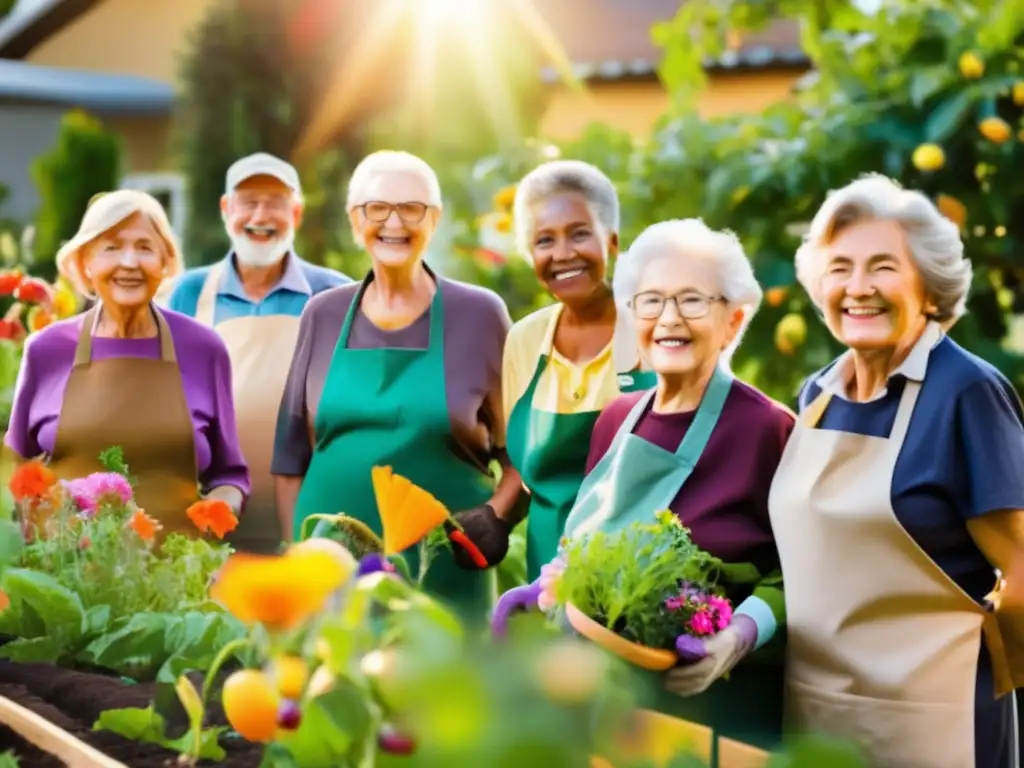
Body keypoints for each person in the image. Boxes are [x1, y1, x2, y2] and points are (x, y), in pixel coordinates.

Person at [494, 219, 794, 762]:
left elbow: (804, 574)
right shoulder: (615, 420)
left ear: (733, 321)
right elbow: (589, 545)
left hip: (717, 707)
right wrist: (545, 587)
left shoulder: (767, 429)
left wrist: (740, 636)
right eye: (650, 301)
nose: (669, 319)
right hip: (609, 703)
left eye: (693, 301)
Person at [771, 174, 1024, 768]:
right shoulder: (817, 394)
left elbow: (1020, 564)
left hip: (936, 718)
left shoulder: (968, 392)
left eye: (883, 267)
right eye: (840, 269)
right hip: (820, 711)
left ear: (929, 290)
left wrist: (986, 673)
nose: (858, 288)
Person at [272, 150, 522, 620]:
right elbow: (290, 460)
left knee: (445, 692)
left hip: (445, 572)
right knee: (332, 690)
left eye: (411, 207)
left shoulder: (480, 316)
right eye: (376, 207)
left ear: (434, 219)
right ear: (354, 219)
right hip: (330, 573)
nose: (394, 221)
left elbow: (523, 456)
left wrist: (497, 517)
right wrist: (296, 555)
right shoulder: (322, 315)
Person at [5, 190, 250, 536]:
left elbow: (230, 475)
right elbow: (16, 474)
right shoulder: (46, 349)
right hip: (65, 580)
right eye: (112, 247)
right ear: (85, 263)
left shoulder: (203, 348)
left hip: (177, 580)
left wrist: (219, 511)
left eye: (145, 248)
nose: (130, 262)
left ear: (166, 262)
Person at [167, 152, 350, 553]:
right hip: (210, 512)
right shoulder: (189, 293)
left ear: (297, 213)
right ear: (226, 209)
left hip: (311, 512)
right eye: (248, 201)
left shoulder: (336, 294)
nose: (261, 214)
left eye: (276, 201)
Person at [503, 161, 656, 581]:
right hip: (547, 574)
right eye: (544, 240)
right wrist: (494, 517)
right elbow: (519, 466)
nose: (563, 254)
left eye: (579, 233)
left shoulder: (654, 330)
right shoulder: (525, 339)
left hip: (641, 575)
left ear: (612, 241)